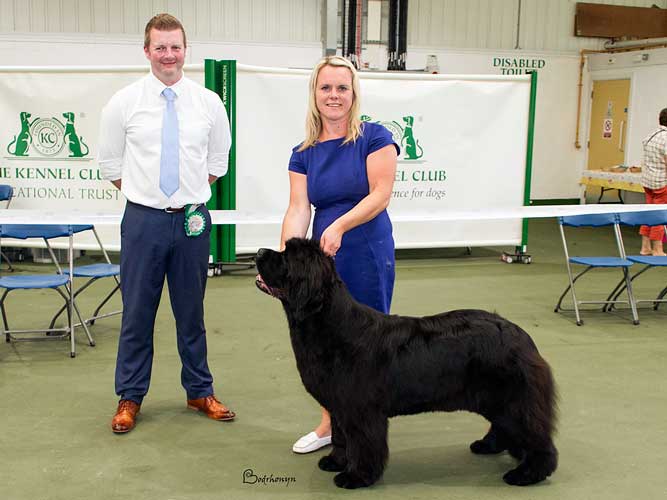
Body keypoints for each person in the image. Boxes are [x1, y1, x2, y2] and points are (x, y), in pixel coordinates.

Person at [99, 13, 235, 433]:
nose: (168, 55)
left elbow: (217, 163)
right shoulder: (123, 102)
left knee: (191, 314)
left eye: (175, 46)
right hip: (142, 222)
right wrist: (151, 198)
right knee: (137, 313)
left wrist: (185, 196)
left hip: (193, 221)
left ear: (185, 50)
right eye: (160, 47)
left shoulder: (209, 103)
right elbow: (110, 164)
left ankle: (199, 391)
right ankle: (130, 397)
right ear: (146, 51)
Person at [280, 56, 399, 453]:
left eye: (342, 88)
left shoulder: (375, 136)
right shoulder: (303, 152)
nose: (334, 95)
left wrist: (341, 225)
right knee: (324, 343)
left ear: (353, 94)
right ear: (315, 94)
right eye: (326, 88)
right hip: (326, 256)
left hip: (365, 244)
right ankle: (331, 424)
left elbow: (380, 194)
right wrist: (286, 262)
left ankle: (364, 425)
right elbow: (299, 208)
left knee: (368, 344)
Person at [639, 108, 667, 256]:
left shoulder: (651, 135)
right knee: (660, 215)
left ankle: (645, 247)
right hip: (662, 182)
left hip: (648, 181)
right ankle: (658, 249)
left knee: (649, 212)